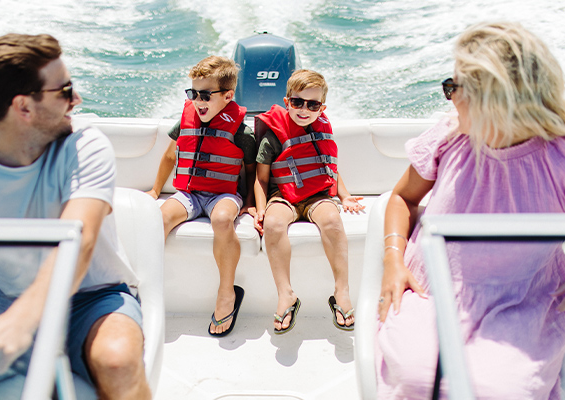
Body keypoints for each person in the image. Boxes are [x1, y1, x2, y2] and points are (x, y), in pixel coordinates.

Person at [0, 33, 150, 399]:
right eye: (65, 90)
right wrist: (11, 317)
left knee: (116, 362)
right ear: (24, 107)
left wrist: (19, 323)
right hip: (7, 296)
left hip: (95, 297)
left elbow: (80, 238)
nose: (77, 99)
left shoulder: (85, 145)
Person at [376, 21, 565, 399]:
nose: (448, 98)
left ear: (493, 99)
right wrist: (393, 262)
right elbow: (403, 198)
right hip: (432, 288)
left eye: (453, 87)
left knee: (500, 390)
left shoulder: (556, 155)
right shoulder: (448, 138)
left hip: (525, 299)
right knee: (418, 379)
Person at [146, 56, 256, 337]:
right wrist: (156, 190)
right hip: (190, 193)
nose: (198, 101)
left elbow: (252, 171)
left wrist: (253, 204)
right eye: (193, 94)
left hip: (224, 194)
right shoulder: (185, 120)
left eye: (206, 94)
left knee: (221, 221)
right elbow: (170, 156)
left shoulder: (242, 131)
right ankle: (143, 289)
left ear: (228, 96)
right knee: (156, 220)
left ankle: (227, 292)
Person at [253, 69, 364, 334]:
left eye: (313, 104)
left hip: (317, 195)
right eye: (297, 102)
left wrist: (344, 195)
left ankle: (341, 291)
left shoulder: (322, 128)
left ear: (322, 107)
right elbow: (261, 179)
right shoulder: (273, 136)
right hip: (283, 196)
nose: (304, 110)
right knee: (274, 225)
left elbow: (328, 166)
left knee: (333, 221)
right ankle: (286, 294)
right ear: (286, 101)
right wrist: (260, 210)